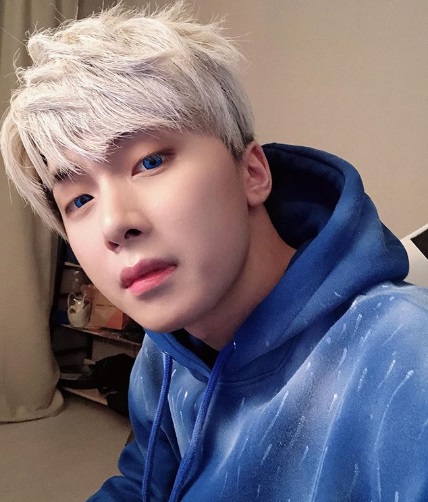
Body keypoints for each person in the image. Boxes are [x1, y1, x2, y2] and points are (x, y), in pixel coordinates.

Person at [1, 3, 428, 501]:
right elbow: (144, 484)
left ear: (252, 173)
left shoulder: (406, 358)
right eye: (79, 200)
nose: (114, 224)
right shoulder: (167, 352)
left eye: (150, 162)